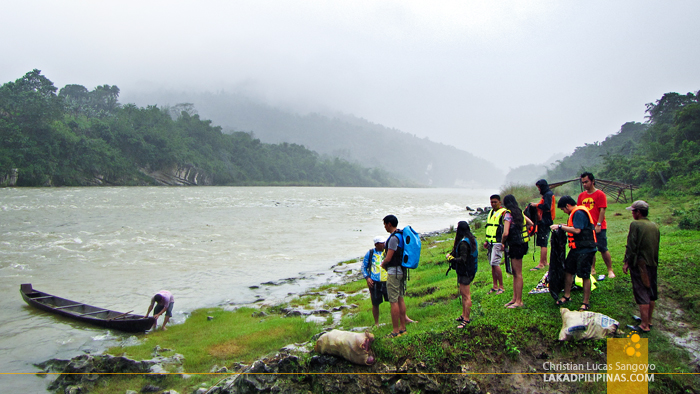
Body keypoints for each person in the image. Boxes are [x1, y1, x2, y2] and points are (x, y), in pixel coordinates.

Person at [550, 196, 597, 311]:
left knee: (585, 275)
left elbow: (577, 230)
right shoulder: (575, 213)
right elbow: (574, 227)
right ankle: (567, 295)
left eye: (563, 209)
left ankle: (585, 303)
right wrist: (564, 226)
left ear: (567, 205)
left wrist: (561, 227)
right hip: (576, 249)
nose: (564, 212)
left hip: (585, 249)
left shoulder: (579, 213)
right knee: (568, 270)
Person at [622, 201, 660, 333]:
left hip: (640, 264)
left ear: (638, 212)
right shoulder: (654, 225)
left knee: (641, 292)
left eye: (633, 211)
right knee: (651, 292)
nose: (632, 213)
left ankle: (644, 325)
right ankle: (648, 320)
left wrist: (627, 262)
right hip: (652, 263)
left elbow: (632, 245)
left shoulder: (635, 224)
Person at [361, 236, 416, 326]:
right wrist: (367, 278)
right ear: (376, 244)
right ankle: (376, 323)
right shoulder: (370, 253)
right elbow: (364, 266)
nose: (384, 244)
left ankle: (404, 318)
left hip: (388, 279)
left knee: (395, 300)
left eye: (384, 242)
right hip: (375, 281)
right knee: (375, 303)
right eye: (381, 243)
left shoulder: (387, 251)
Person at [577, 172, 616, 278]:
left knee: (603, 248)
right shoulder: (581, 196)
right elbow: (580, 211)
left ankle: (610, 270)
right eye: (583, 182)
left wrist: (598, 224)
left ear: (592, 181)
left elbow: (602, 210)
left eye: (586, 182)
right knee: (590, 249)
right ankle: (592, 269)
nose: (584, 184)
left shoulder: (600, 194)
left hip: (599, 226)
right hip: (587, 227)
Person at [501, 195, 534, 308]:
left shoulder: (508, 214)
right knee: (515, 272)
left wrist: (502, 242)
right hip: (522, 244)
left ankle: (519, 301)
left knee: (518, 273)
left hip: (515, 245)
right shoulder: (519, 212)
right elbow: (530, 223)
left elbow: (505, 233)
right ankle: (515, 298)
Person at [379, 215, 408, 338]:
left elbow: (389, 257)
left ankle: (395, 330)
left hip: (393, 272)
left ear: (389, 224)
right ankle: (403, 327)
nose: (385, 227)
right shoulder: (401, 235)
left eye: (385, 224)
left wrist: (383, 264)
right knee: (400, 298)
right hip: (401, 270)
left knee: (393, 301)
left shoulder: (393, 238)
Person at [445, 221, 478, 328]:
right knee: (463, 294)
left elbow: (463, 259)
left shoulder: (464, 243)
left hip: (466, 272)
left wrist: (452, 259)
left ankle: (466, 319)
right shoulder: (471, 239)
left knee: (466, 296)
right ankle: (464, 315)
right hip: (469, 270)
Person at [483, 194, 506, 295]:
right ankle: (495, 286)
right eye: (491, 202)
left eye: (495, 202)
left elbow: (506, 229)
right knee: (492, 264)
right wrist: (486, 240)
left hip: (498, 242)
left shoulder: (503, 213)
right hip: (490, 242)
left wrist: (504, 243)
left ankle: (501, 286)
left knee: (495, 263)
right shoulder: (491, 212)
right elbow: (489, 227)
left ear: (500, 202)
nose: (493, 204)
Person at [531, 179, 556, 270]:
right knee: (543, 241)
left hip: (545, 221)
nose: (538, 189)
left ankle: (541, 264)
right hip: (545, 220)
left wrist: (536, 205)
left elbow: (547, 207)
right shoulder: (547, 194)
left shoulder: (548, 195)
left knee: (543, 242)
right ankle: (545, 262)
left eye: (539, 187)